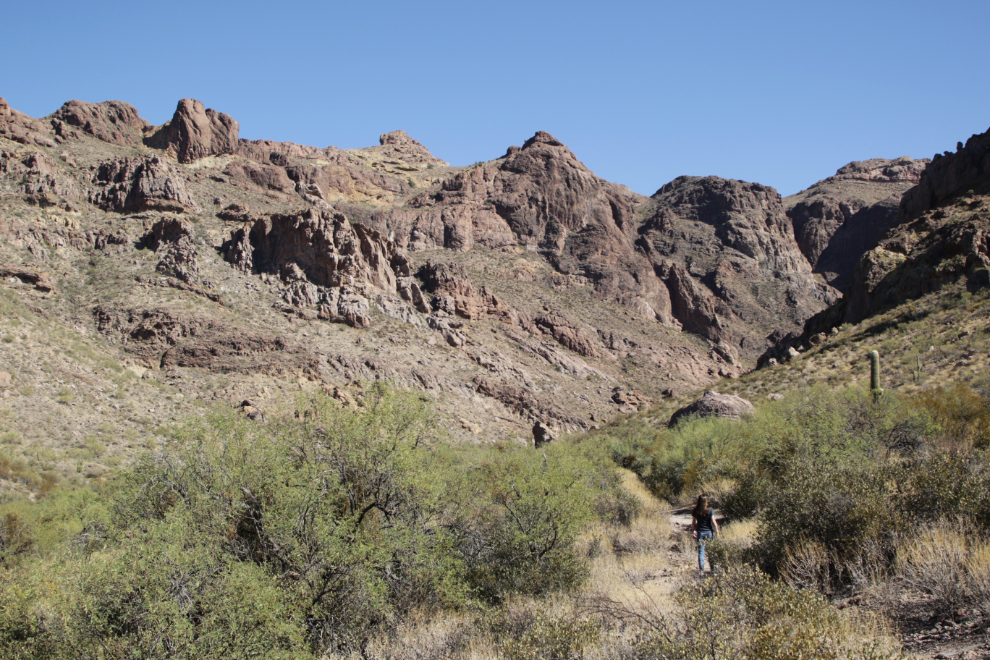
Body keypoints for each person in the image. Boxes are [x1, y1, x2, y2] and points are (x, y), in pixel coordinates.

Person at [691, 494, 720, 573]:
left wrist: (694, 530)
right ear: (706, 501)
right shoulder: (710, 510)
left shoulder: (695, 510)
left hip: (700, 533)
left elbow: (693, 522)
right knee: (711, 550)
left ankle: (701, 570)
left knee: (701, 551)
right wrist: (717, 531)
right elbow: (713, 521)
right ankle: (713, 568)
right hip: (709, 532)